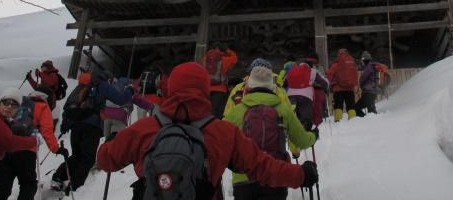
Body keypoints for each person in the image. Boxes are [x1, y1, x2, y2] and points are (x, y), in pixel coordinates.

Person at [96, 62, 318, 200]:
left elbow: (106, 160)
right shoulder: (221, 133)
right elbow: (263, 167)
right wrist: (301, 175)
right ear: (204, 90)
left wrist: (112, 142)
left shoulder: (145, 128)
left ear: (172, 87)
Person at [225, 65, 318, 200]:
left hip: (243, 179)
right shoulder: (283, 110)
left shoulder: (236, 112)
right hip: (276, 178)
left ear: (249, 86)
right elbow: (301, 140)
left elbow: (222, 143)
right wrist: (314, 136)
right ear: (272, 87)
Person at [52, 70, 133, 193]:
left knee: (77, 155)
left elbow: (69, 105)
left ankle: (58, 177)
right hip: (92, 126)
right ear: (108, 79)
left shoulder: (82, 85)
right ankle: (75, 187)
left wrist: (66, 124)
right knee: (87, 159)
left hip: (76, 125)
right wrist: (130, 90)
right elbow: (121, 100)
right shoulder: (104, 85)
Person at [0, 90, 67, 200]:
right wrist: (56, 149)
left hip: (6, 148)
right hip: (26, 150)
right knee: (28, 185)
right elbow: (47, 131)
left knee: (1, 187)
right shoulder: (43, 107)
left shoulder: (18, 103)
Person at [224, 58, 291, 118]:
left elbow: (228, 113)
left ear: (250, 73)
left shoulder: (239, 88)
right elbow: (288, 114)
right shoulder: (278, 89)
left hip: (243, 128)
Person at [285, 61, 329, 130]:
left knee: (293, 117)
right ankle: (305, 133)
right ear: (308, 66)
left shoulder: (292, 71)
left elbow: (284, 83)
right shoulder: (312, 71)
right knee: (306, 118)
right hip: (305, 97)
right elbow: (324, 83)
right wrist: (325, 88)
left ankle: (293, 132)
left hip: (290, 96)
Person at [200, 44, 238, 118]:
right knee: (217, 113)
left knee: (206, 110)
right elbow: (235, 58)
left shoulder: (204, 60)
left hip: (206, 89)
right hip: (220, 90)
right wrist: (227, 50)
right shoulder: (224, 60)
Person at [327, 48, 358, 121]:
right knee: (351, 105)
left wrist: (330, 85)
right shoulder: (351, 63)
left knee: (338, 105)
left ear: (338, 54)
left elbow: (329, 75)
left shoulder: (336, 65)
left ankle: (338, 120)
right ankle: (352, 120)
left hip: (338, 89)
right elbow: (355, 75)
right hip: (350, 89)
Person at [355, 51, 385, 117]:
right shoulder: (374, 66)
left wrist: (361, 84)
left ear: (364, 59)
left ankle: (369, 122)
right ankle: (367, 121)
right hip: (373, 92)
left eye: (362, 60)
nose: (362, 62)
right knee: (369, 110)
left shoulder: (369, 67)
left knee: (370, 112)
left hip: (368, 93)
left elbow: (363, 78)